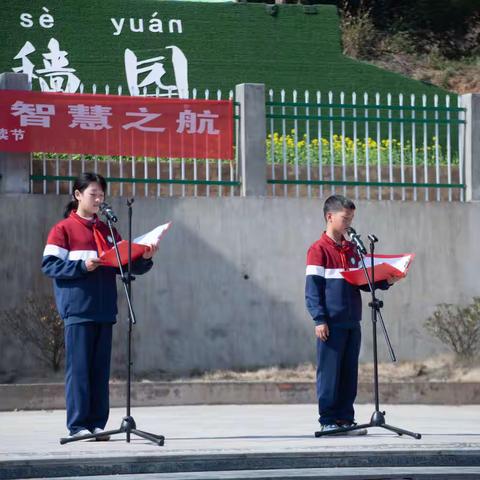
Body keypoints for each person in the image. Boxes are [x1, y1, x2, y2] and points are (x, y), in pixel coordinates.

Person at [41, 172, 158, 439]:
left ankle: (96, 424)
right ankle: (78, 426)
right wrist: (82, 266)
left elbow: (124, 263)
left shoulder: (107, 231)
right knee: (79, 369)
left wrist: (146, 257)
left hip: (105, 310)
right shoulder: (63, 230)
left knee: (99, 371)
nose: (98, 199)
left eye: (101, 195)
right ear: (77, 195)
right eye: (93, 194)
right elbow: (49, 265)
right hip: (78, 310)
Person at [305, 194, 399, 434]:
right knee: (329, 373)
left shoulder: (352, 249)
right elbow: (312, 289)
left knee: (349, 372)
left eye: (351, 218)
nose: (349, 223)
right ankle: (328, 420)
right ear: (330, 217)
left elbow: (363, 282)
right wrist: (319, 319)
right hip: (331, 323)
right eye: (345, 218)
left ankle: (345, 420)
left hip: (352, 321)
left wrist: (387, 281)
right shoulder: (318, 251)